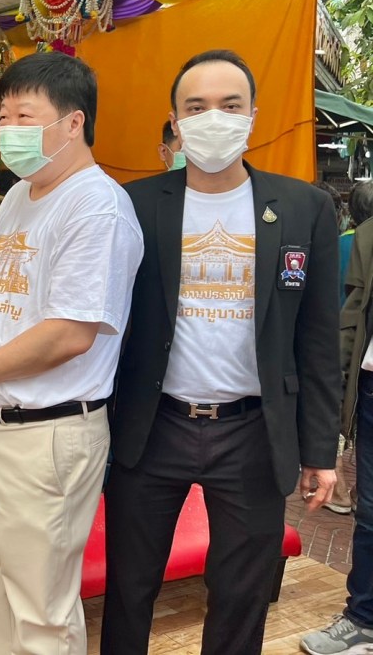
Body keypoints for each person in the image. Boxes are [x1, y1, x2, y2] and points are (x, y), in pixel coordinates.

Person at [101, 50, 341, 655]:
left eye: (230, 106)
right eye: (197, 106)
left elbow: (317, 338)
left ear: (253, 116)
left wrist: (320, 450)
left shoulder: (304, 208)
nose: (214, 118)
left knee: (241, 594)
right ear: (176, 122)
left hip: (253, 431)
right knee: (129, 585)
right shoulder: (134, 204)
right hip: (153, 426)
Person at [0, 52, 144, 654]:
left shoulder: (97, 205)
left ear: (73, 122)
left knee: (41, 611)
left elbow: (70, 332)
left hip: (45, 435)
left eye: (24, 116)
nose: (8, 129)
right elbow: (28, 289)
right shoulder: (19, 196)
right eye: (4, 115)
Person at [302, 195, 373, 653]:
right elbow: (352, 318)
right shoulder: (366, 237)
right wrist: (338, 394)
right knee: (370, 515)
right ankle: (363, 618)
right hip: (370, 389)